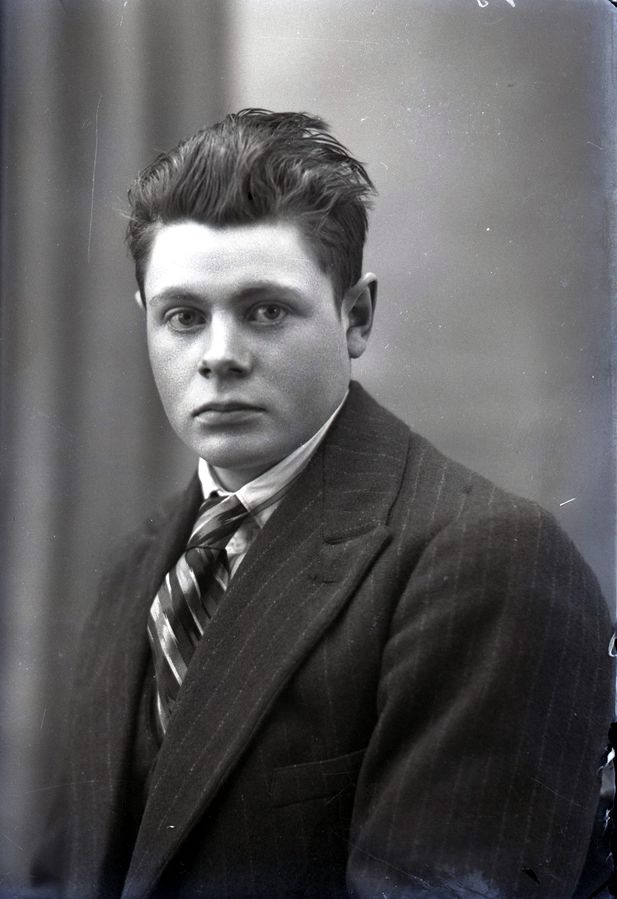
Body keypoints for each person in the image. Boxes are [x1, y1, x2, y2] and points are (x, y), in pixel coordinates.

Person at [31, 109, 614, 898]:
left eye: (265, 310)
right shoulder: (135, 572)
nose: (219, 356)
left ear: (355, 317)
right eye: (184, 316)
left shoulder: (489, 559)